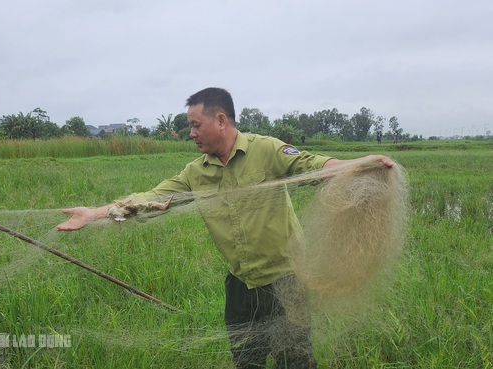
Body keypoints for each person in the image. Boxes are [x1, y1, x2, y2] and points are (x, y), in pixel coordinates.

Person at [57, 87, 393, 368]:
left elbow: (312, 164)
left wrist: (359, 165)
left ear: (221, 120)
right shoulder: (195, 172)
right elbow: (149, 198)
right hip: (240, 285)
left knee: (297, 360)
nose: (191, 133)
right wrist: (95, 214)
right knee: (245, 360)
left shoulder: (266, 149)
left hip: (285, 280)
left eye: (195, 125)